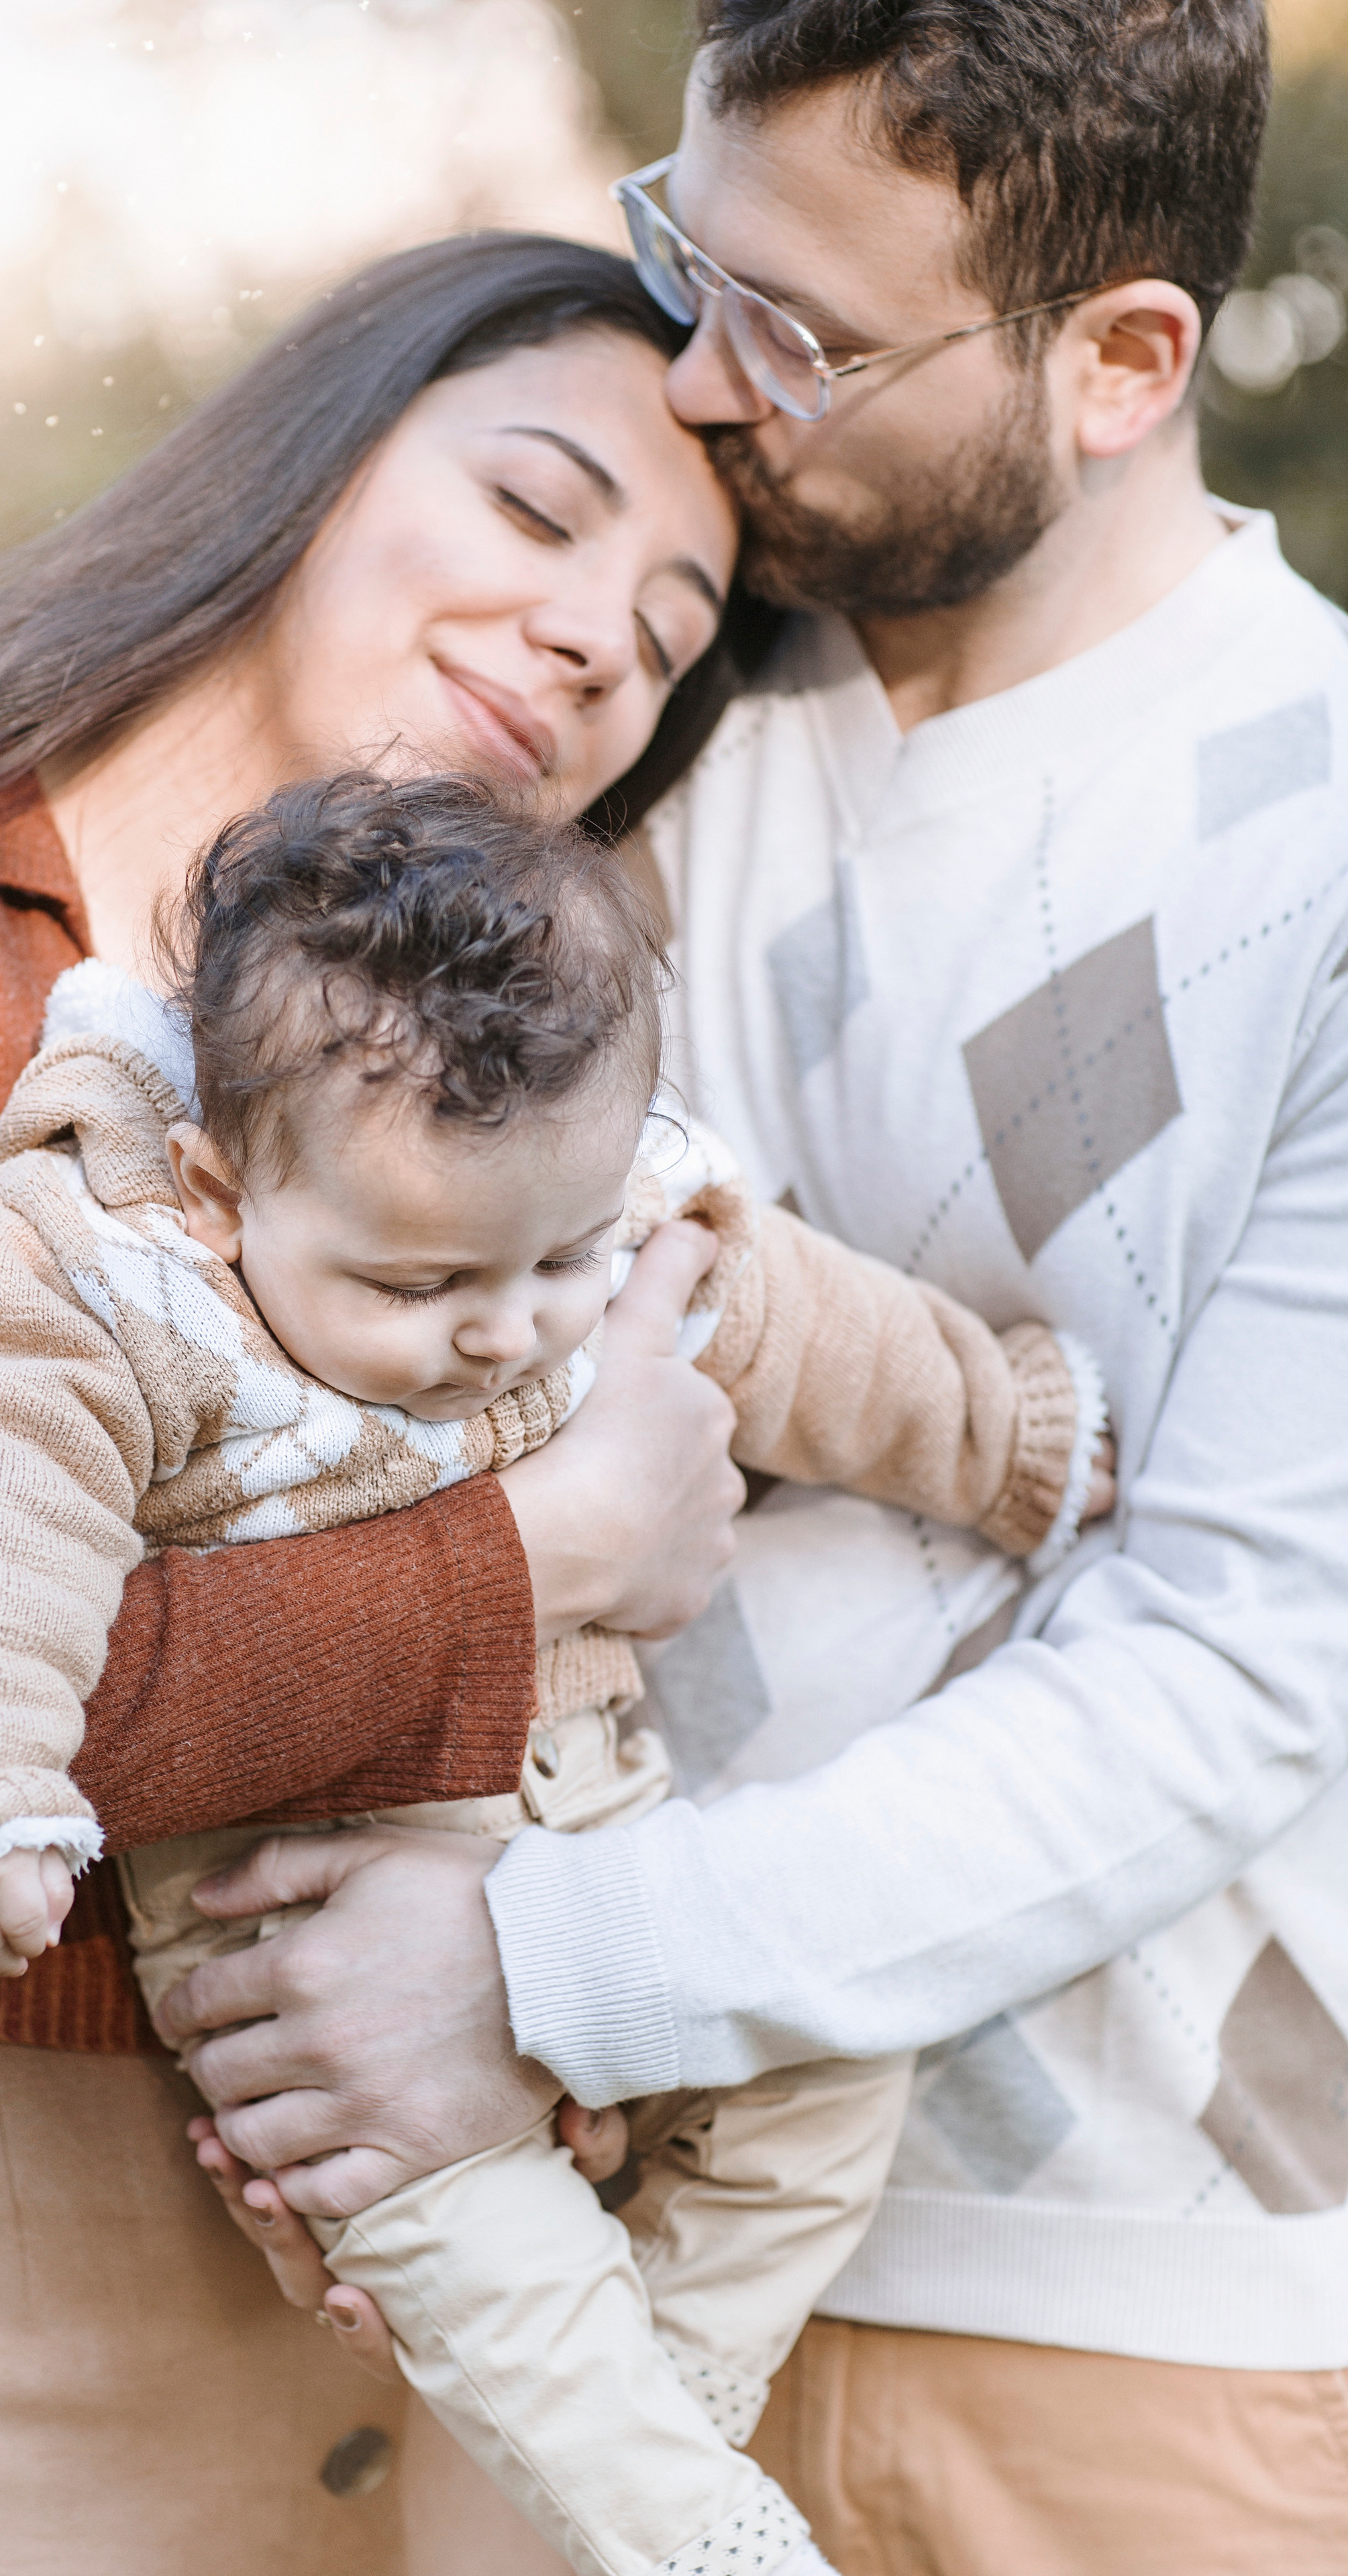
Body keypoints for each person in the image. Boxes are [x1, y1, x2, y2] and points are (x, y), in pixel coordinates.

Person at [161, 8, 1348, 2571]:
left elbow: (1245, 1663)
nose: (703, 378)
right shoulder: (635, 701)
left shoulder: (1325, 837)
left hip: (1115, 2314)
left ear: (1124, 361)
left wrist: (549, 1961)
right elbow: (174, 966)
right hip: (538, 2241)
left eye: (801, 335)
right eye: (688, 261)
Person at [0, 235, 760, 2576]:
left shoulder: (510, 1092)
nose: (594, 640)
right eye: (536, 510)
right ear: (306, 469)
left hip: (401, 2260)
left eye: (668, 637)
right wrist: (545, 1555)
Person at [0, 766, 1104, 2576]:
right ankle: (706, 2533)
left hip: (604, 1851)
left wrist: (1010, 1440)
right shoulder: (123, 1290)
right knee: (499, 2279)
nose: (504, 1329)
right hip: (314, 1944)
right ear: (218, 1188)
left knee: (838, 2062)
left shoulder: (596, 1218)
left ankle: (668, 2395)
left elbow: (816, 1332)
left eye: (557, 1261)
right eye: (416, 1286)